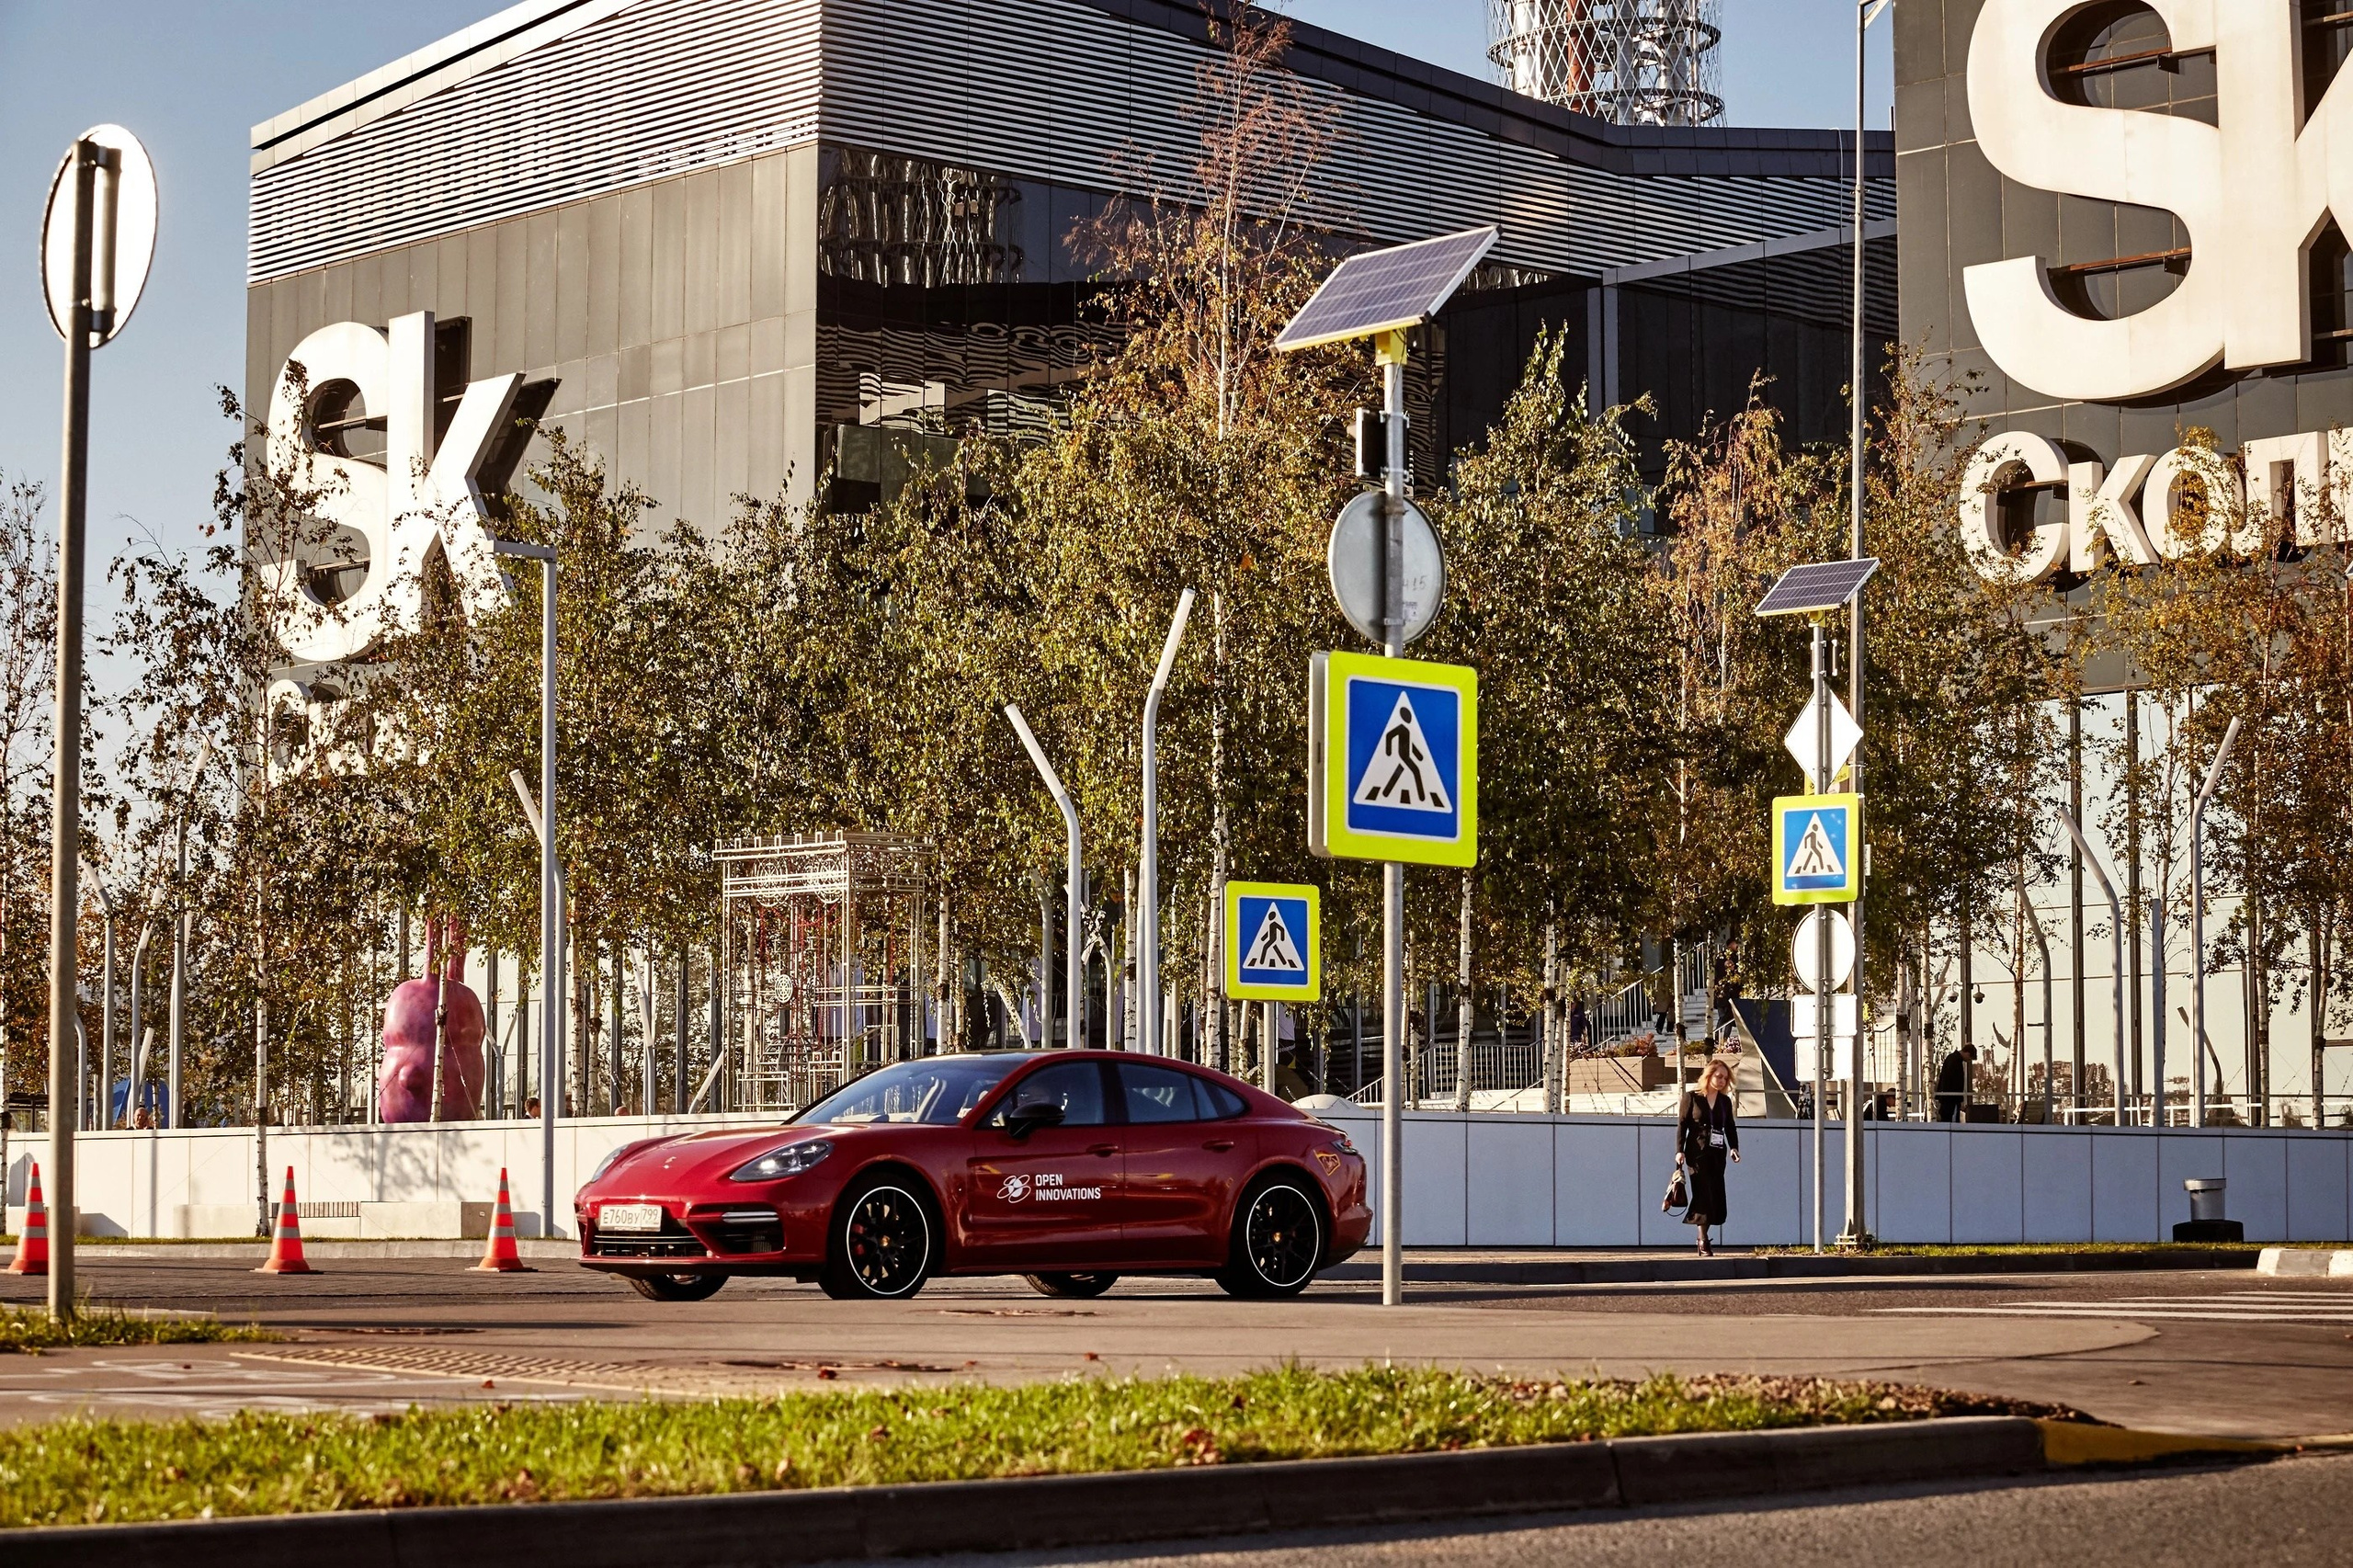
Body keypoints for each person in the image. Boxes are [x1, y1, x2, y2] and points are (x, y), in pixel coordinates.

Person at [1677, 1057, 1740, 1256]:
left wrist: (1734, 1147)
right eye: (1718, 1076)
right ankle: (1703, 1240)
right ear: (1709, 1076)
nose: (1721, 1081)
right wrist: (1679, 1151)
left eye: (1725, 1078)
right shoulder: (1692, 1097)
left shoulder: (1724, 1101)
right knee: (1702, 1191)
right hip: (1696, 1152)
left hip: (1717, 1153)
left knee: (1715, 1194)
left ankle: (1703, 1236)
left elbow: (1730, 1126)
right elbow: (1682, 1125)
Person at [1935, 1043, 1976, 1122]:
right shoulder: (1956, 1061)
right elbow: (1956, 1083)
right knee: (1951, 1120)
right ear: (1967, 1053)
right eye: (1970, 1058)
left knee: (1946, 1119)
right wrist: (1959, 1100)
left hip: (1947, 1098)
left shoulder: (1951, 1058)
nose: (1968, 1061)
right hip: (1951, 1099)